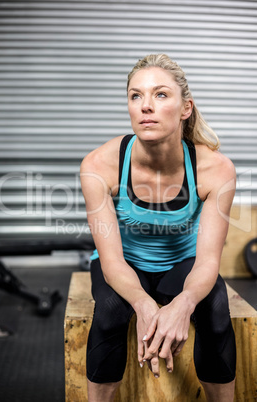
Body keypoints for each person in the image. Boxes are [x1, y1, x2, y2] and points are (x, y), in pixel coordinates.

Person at [80, 54, 237, 402]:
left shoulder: (215, 169)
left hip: (182, 264)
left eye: (161, 95)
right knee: (109, 312)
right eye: (135, 96)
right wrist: (143, 303)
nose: (145, 106)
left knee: (214, 309)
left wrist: (184, 303)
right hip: (124, 263)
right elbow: (112, 262)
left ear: (185, 108)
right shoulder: (99, 164)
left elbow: (208, 261)